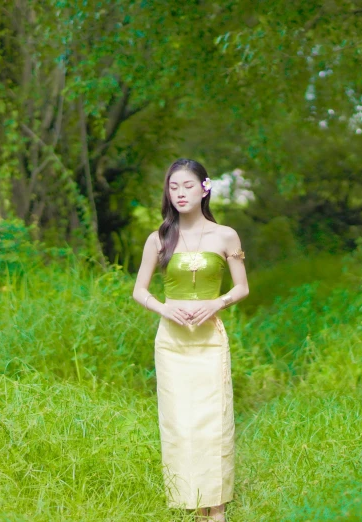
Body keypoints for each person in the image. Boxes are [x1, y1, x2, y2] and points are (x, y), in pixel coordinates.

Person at [133, 158, 249, 521]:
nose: (180, 193)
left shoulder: (225, 235)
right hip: (172, 342)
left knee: (213, 420)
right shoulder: (159, 238)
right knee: (180, 423)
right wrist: (164, 309)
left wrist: (218, 301)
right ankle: (192, 502)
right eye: (173, 187)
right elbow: (139, 290)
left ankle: (216, 506)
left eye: (187, 185)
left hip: (209, 341)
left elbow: (243, 287)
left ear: (205, 187)